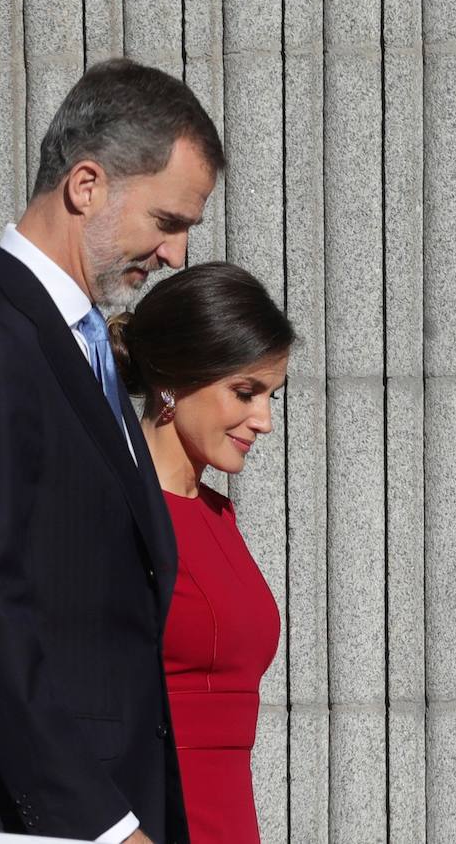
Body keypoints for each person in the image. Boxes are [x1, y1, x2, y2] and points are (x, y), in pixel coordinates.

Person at [0, 58, 223, 843]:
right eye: (168, 222)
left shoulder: (76, 342)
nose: (176, 257)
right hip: (24, 820)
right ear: (86, 185)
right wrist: (101, 823)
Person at [109, 262, 295, 844]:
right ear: (173, 378)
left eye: (271, 396)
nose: (263, 420)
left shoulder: (219, 514)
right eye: (245, 392)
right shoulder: (109, 508)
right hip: (143, 820)